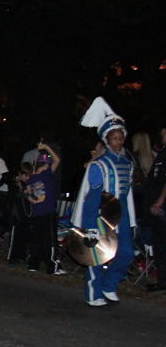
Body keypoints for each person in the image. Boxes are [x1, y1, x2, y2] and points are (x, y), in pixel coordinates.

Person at [72, 97, 136, 307]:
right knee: (97, 253)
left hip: (122, 214)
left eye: (121, 137)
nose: (119, 141)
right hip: (100, 213)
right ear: (107, 140)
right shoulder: (98, 165)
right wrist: (89, 225)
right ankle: (93, 292)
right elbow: (92, 197)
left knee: (126, 252)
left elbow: (128, 195)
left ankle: (109, 285)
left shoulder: (128, 163)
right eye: (114, 137)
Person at [19, 143, 63, 273]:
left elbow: (28, 195)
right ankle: (52, 265)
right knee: (49, 240)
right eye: (48, 165)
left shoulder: (31, 178)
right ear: (45, 166)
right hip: (47, 212)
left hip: (36, 213)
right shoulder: (45, 175)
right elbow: (58, 160)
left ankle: (33, 264)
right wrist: (47, 147)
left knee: (37, 239)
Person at [141, 124, 166, 292]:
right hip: (157, 210)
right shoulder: (162, 154)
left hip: (163, 208)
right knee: (159, 245)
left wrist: (159, 201)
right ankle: (163, 280)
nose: (162, 135)